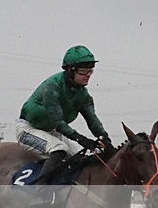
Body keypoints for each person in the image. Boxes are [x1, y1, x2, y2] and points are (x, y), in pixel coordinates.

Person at [16, 45, 112, 185]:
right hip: (28, 130)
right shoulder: (52, 87)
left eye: (90, 71)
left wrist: (105, 139)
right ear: (70, 70)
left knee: (81, 158)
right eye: (83, 71)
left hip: (51, 132)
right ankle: (38, 190)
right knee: (59, 150)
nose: (88, 75)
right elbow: (58, 123)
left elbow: (93, 121)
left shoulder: (83, 95)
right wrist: (81, 139)